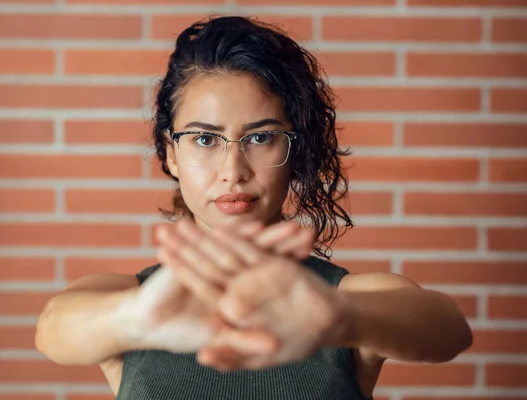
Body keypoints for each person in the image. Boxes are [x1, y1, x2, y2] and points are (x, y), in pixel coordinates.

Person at [35, 16, 473, 400]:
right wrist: (135, 319)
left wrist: (341, 319)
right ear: (170, 153)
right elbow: (53, 330)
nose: (234, 170)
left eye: (261, 137)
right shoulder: (130, 299)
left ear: (294, 150)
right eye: (205, 139)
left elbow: (448, 328)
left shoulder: (342, 300)